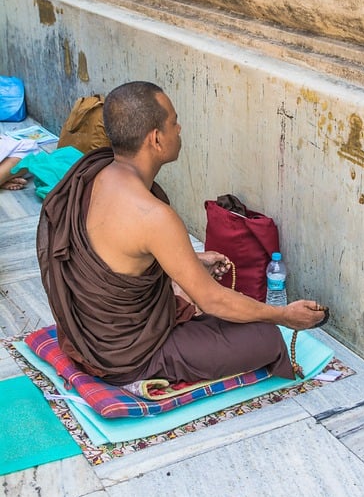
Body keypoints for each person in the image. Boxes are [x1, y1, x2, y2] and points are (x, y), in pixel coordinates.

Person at [37, 81, 326, 389]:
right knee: (263, 336)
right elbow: (213, 300)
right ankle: (148, 372)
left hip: (82, 334)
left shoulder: (93, 173)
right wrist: (283, 315)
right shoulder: (153, 215)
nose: (180, 128)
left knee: (191, 299)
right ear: (157, 139)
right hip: (124, 355)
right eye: (173, 122)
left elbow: (117, 247)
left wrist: (192, 260)